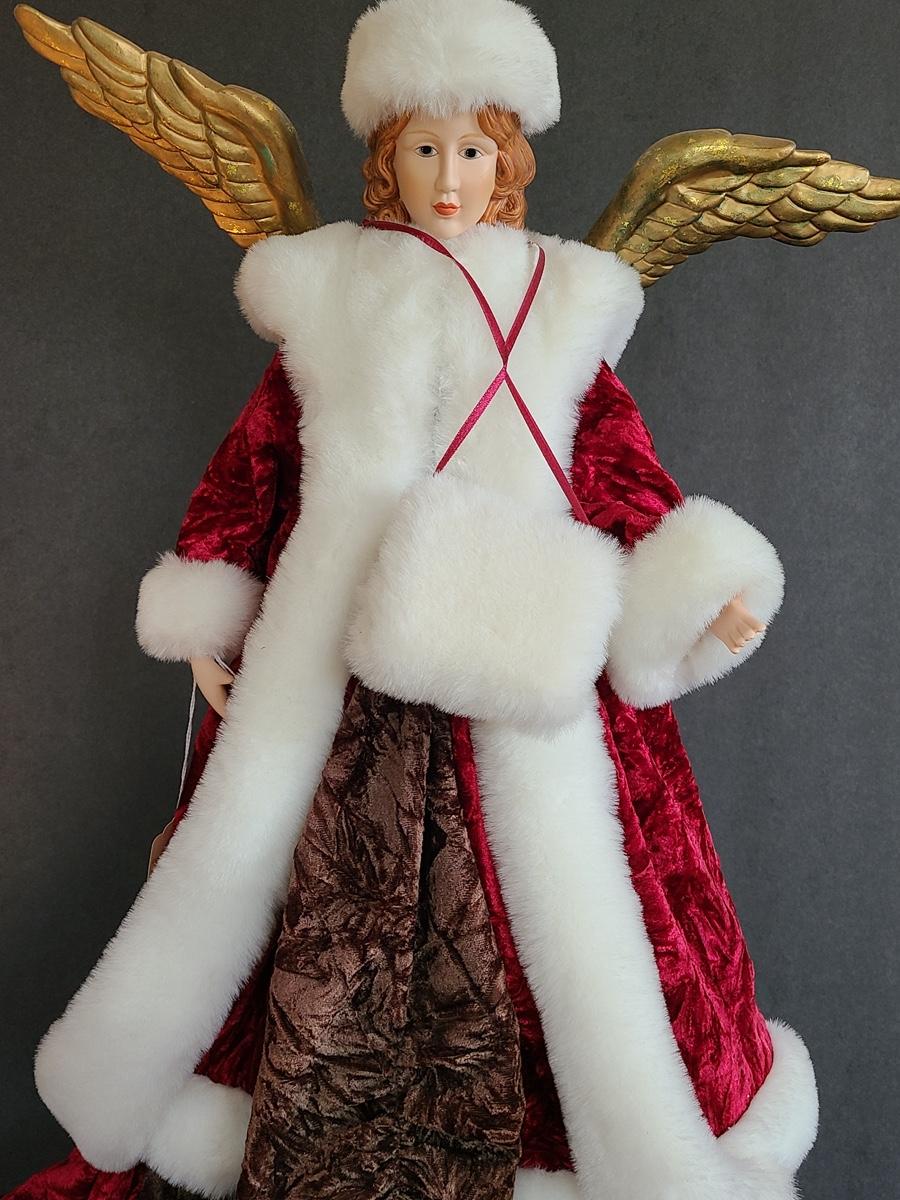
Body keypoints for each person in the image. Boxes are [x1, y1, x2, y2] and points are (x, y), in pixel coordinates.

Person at [9, 2, 818, 1198]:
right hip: (337, 659)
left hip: (516, 658)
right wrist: (208, 610)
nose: (450, 175)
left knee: (569, 912)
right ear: (385, 155)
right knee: (296, 889)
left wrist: (696, 589)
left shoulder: (560, 298)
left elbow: (616, 465)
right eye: (424, 147)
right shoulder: (331, 286)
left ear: (509, 157)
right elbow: (258, 458)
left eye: (474, 148)